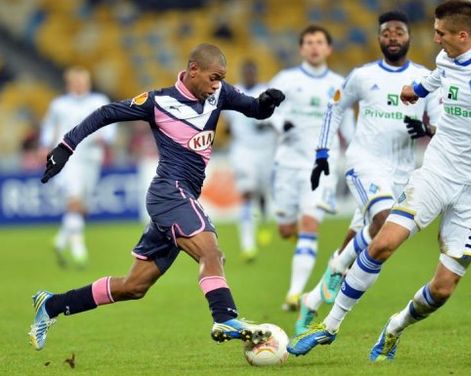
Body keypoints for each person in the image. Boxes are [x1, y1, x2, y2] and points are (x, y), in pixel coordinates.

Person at [29, 43, 285, 351]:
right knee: (211, 251)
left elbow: (254, 109)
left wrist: (268, 102)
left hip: (181, 195)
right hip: (170, 192)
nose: (217, 85)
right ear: (193, 70)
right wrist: (65, 147)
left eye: (221, 79)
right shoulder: (158, 101)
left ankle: (52, 305)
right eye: (213, 77)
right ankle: (226, 317)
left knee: (133, 286)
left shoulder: (220, 93)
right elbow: (105, 113)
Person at [288, 1, 471, 361]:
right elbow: (433, 81)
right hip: (437, 172)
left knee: (444, 288)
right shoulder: (446, 59)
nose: (433, 38)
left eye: (440, 33)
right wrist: (413, 90)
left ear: (462, 35)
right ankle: (330, 325)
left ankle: (395, 327)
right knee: (383, 241)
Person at [291, 10, 441, 336]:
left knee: (365, 236)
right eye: (386, 32)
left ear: (409, 37)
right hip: (365, 162)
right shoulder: (362, 75)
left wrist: (427, 128)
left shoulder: (426, 79)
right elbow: (335, 108)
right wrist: (322, 154)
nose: (392, 38)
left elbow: (442, 124)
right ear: (378, 38)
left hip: (402, 171)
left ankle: (313, 299)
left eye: (398, 32)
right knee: (383, 222)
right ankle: (336, 268)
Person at [268, 25, 355, 311]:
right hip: (288, 165)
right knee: (285, 229)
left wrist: (353, 157)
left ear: (328, 48)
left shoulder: (341, 83)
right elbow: (269, 112)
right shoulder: (287, 79)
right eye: (309, 42)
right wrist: (282, 124)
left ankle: (294, 294)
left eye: (320, 42)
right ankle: (301, 250)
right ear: (301, 48)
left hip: (321, 166)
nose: (314, 47)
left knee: (310, 225)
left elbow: (349, 128)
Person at [39, 66, 115, 268]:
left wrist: (106, 138)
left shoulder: (99, 101)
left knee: (84, 204)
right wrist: (45, 145)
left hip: (92, 157)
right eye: (77, 81)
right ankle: (78, 247)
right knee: (73, 198)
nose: (81, 85)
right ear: (69, 83)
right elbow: (49, 126)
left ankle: (61, 240)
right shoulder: (59, 104)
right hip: (69, 157)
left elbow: (111, 125)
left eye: (84, 81)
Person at [222, 60, 276, 261]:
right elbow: (228, 124)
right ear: (242, 74)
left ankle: (262, 222)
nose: (249, 75)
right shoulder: (234, 94)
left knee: (262, 193)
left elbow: (276, 121)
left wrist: (267, 125)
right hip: (243, 151)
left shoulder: (266, 92)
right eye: (246, 72)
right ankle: (248, 244)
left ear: (256, 73)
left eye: (252, 71)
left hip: (267, 151)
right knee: (247, 193)